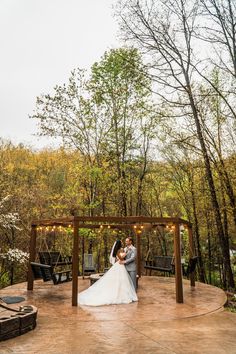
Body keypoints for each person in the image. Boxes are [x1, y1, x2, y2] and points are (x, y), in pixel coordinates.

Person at [78, 240, 138, 306]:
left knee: (123, 281)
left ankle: (127, 294)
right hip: (121, 265)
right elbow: (120, 258)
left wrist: (123, 257)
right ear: (120, 244)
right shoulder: (121, 249)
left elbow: (127, 258)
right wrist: (124, 256)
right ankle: (124, 294)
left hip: (121, 265)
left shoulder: (124, 249)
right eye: (123, 242)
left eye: (126, 241)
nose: (124, 242)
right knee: (121, 281)